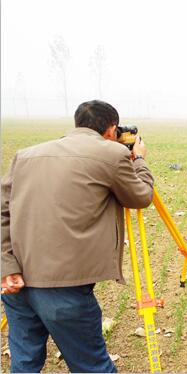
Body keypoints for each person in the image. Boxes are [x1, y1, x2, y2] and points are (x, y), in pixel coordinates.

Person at [1, 100, 154, 372]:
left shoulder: (25, 155)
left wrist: (7, 267)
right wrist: (139, 159)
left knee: (24, 364)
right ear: (111, 129)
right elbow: (140, 196)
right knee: (91, 366)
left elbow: (3, 211)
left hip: (16, 282)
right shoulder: (111, 154)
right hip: (63, 288)